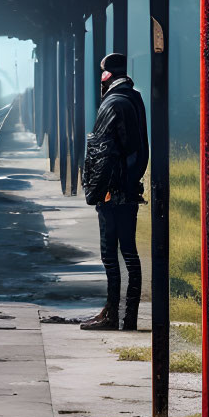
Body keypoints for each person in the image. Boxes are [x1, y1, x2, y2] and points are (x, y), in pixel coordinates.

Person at [80, 51, 149, 332]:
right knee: (129, 252)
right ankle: (125, 315)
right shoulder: (134, 98)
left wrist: (94, 192)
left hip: (113, 191)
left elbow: (101, 152)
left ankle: (112, 315)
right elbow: (138, 149)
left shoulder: (112, 103)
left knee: (111, 254)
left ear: (106, 75)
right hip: (128, 188)